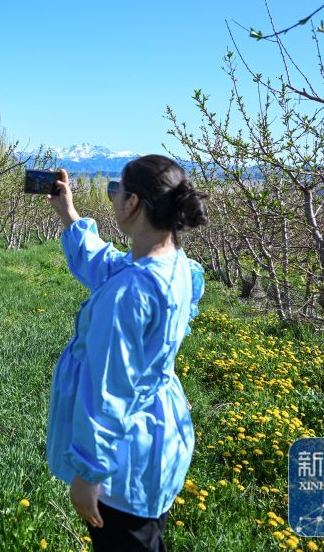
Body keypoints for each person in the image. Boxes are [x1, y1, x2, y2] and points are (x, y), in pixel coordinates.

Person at [45, 155, 208, 551]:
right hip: (158, 442)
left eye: (114, 190)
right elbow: (107, 264)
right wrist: (69, 214)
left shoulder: (128, 295)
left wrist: (89, 471)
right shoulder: (178, 267)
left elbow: (109, 391)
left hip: (123, 459)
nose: (113, 197)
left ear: (132, 203)